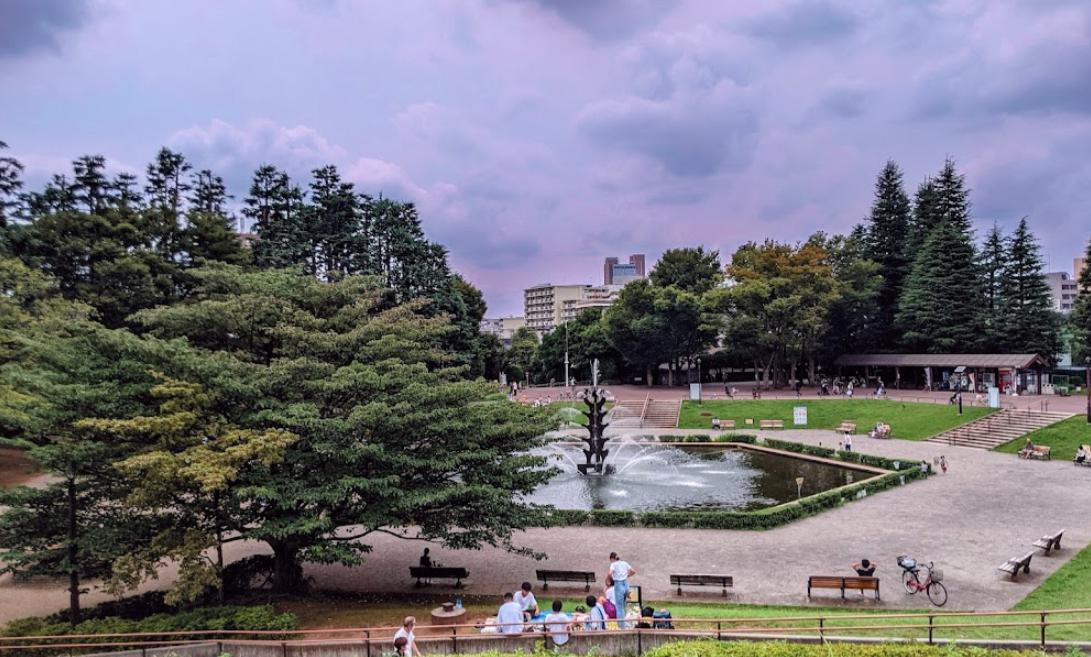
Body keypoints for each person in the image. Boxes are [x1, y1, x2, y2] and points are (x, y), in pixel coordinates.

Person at [608, 552, 635, 627]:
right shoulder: (624, 563)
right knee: (623, 605)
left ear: (612, 559)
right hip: (626, 584)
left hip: (619, 584)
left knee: (619, 607)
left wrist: (611, 579)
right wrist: (627, 576)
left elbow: (610, 573)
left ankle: (621, 626)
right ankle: (625, 621)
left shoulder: (613, 564)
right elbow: (633, 571)